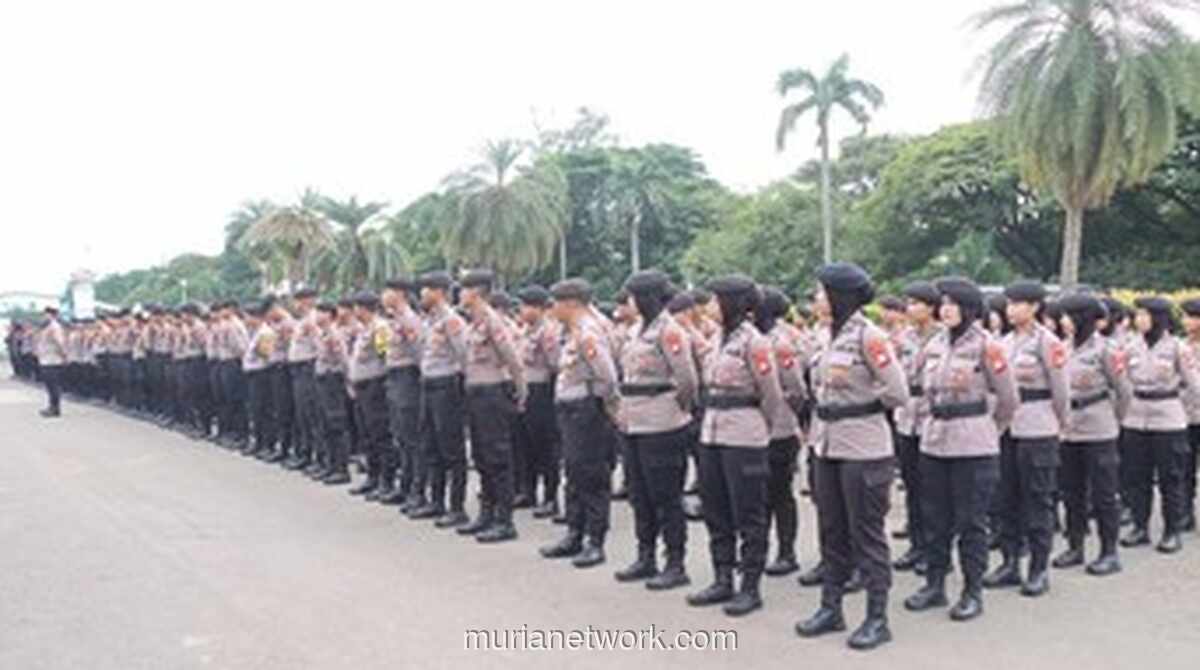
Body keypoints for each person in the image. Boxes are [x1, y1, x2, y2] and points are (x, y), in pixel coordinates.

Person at [795, 263, 908, 651]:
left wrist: (858, 407)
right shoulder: (826, 335)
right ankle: (831, 608)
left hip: (863, 446)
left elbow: (897, 391)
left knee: (867, 535)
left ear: (840, 295)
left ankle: (877, 618)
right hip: (826, 444)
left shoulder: (868, 336)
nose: (817, 299)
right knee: (831, 529)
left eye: (822, 292)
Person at [902, 277, 1017, 622]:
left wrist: (988, 429)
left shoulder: (987, 346)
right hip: (934, 441)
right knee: (935, 519)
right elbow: (919, 390)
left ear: (969, 308)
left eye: (954, 303)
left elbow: (1009, 399)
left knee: (971, 522)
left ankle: (972, 591)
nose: (947, 309)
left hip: (973, 445)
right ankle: (935, 585)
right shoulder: (934, 344)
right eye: (944, 303)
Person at [685, 276, 786, 618]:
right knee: (716, 509)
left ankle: (750, 586)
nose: (710, 306)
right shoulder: (716, 339)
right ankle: (722, 577)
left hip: (744, 434)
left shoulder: (754, 342)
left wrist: (761, 429)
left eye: (715, 300)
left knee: (749, 514)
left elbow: (771, 395)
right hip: (712, 433)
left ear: (731, 303)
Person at [984, 280, 1069, 597]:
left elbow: (1061, 391)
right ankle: (1009, 562)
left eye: (1018, 303)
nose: (1011, 309)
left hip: (1038, 425)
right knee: (1007, 497)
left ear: (1034, 307)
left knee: (1037, 499)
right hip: (1007, 428)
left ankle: (1038, 568)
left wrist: (1059, 423)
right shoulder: (1002, 342)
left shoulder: (1048, 342)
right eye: (1009, 303)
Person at [614, 270, 699, 590]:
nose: (631, 302)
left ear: (647, 298)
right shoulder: (637, 330)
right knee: (639, 494)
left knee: (666, 496)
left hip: (662, 422)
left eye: (634, 296)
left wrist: (676, 409)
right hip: (633, 422)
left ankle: (675, 562)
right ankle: (645, 556)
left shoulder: (670, 331)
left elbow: (687, 379)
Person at [539, 278, 620, 568]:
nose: (553, 309)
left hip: (586, 410)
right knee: (573, 472)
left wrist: (606, 407)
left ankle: (594, 541)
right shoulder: (573, 331)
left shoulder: (589, 333)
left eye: (556, 303)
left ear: (571, 303)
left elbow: (608, 377)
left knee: (591, 475)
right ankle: (574, 533)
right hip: (571, 409)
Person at [1053, 293, 1130, 575]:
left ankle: (1109, 552)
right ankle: (1075, 546)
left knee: (1104, 494)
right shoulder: (1061, 347)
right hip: (1069, 429)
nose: (1063, 321)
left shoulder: (1106, 350)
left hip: (1099, 427)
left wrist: (1114, 421)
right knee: (1071, 490)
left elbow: (1124, 392)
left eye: (1068, 316)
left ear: (1082, 318)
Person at [1120, 296, 1200, 553]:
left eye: (1144, 315)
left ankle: (1172, 530)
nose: (1138, 320)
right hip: (1136, 416)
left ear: (1159, 318)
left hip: (1168, 417)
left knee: (1171, 477)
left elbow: (1195, 384)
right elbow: (1122, 383)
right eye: (1137, 315)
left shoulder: (1177, 348)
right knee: (1137, 476)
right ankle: (1140, 527)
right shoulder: (1131, 346)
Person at [456, 269, 528, 543]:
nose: (460, 295)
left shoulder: (492, 322)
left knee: (498, 457)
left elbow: (512, 357)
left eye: (464, 289)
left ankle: (504, 520)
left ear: (475, 292)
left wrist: (520, 389)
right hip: (476, 393)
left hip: (492, 393)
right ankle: (487, 513)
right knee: (482, 456)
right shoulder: (474, 323)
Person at [755, 287, 808, 578]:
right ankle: (757, 550)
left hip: (779, 427)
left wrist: (790, 417)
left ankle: (786, 552)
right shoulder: (748, 338)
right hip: (753, 427)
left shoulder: (782, 343)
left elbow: (797, 388)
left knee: (779, 493)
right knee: (757, 495)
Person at [891, 281, 943, 575]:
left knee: (932, 491)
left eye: (916, 303)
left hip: (931, 418)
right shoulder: (903, 338)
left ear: (930, 307)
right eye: (908, 302)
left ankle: (934, 550)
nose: (910, 308)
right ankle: (917, 545)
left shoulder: (943, 338)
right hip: (907, 417)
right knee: (911, 486)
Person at [411, 271, 470, 527]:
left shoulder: (452, 321)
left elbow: (465, 356)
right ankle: (436, 502)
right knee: (430, 444)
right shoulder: (428, 321)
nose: (422, 293)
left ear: (440, 292)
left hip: (446, 386)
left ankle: (456, 507)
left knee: (451, 448)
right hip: (428, 385)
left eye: (427, 288)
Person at [515, 285, 563, 519]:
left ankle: (551, 497)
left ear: (538, 308)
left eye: (525, 306)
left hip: (542, 391)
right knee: (526, 445)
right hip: (526, 390)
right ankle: (528, 491)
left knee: (546, 447)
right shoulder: (525, 331)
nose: (521, 311)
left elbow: (556, 365)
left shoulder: (548, 332)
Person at [382, 277, 427, 512]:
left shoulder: (409, 320)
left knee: (412, 437)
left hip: (408, 379)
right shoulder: (394, 321)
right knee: (401, 435)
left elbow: (419, 354)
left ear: (399, 293)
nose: (383, 295)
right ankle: (406, 485)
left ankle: (417, 490)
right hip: (395, 378)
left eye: (387, 291)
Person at [314, 302, 353, 485]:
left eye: (320, 312)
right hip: (323, 381)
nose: (316, 315)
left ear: (330, 315)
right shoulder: (324, 334)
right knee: (325, 425)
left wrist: (348, 382)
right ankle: (331, 466)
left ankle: (342, 469)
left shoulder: (334, 336)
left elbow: (343, 360)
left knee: (336, 424)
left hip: (333, 381)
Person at [1181, 299, 1200, 532]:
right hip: (1185, 416)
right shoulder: (1181, 346)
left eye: (1191, 317)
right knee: (1184, 467)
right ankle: (1185, 512)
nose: (1186, 321)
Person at [35, 305, 67, 418]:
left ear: (51, 315)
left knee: (53, 385)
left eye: (46, 314)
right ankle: (51, 406)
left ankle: (55, 408)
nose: (43, 317)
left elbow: (59, 342)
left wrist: (63, 355)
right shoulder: (46, 327)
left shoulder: (55, 327)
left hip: (53, 359)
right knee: (49, 385)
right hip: (46, 359)